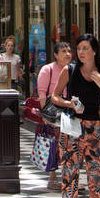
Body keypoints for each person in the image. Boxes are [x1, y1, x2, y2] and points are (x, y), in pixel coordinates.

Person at [48, 34, 100, 198]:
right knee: (70, 175)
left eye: (85, 48)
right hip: (73, 128)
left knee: (95, 177)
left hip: (95, 130)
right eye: (79, 48)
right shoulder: (70, 70)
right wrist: (69, 104)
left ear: (94, 50)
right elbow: (54, 96)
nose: (81, 52)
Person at [34, 42, 73, 189]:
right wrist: (46, 115)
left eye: (69, 51)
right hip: (53, 111)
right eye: (63, 51)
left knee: (69, 144)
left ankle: (68, 176)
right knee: (52, 144)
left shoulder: (73, 69)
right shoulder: (47, 69)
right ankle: (52, 177)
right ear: (56, 55)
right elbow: (42, 93)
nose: (67, 54)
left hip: (69, 110)